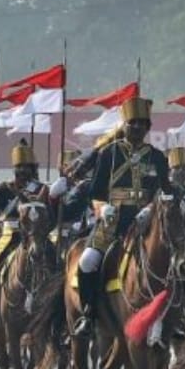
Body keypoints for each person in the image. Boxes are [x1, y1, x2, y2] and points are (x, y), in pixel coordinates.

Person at [73, 98, 170, 338]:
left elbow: (165, 191)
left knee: (172, 262)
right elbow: (95, 193)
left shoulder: (158, 157)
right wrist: (102, 208)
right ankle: (88, 313)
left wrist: (151, 208)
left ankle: (173, 318)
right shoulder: (109, 153)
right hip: (112, 221)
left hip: (145, 223)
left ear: (148, 127)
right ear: (124, 125)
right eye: (132, 122)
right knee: (87, 261)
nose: (137, 127)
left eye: (142, 123)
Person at [0, 141, 58, 339]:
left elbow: (53, 217)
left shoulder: (42, 190)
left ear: (33, 169)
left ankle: (57, 319)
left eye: (26, 167)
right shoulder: (6, 188)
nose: (22, 171)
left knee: (58, 269)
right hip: (7, 237)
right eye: (18, 167)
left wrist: (55, 198)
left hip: (35, 236)